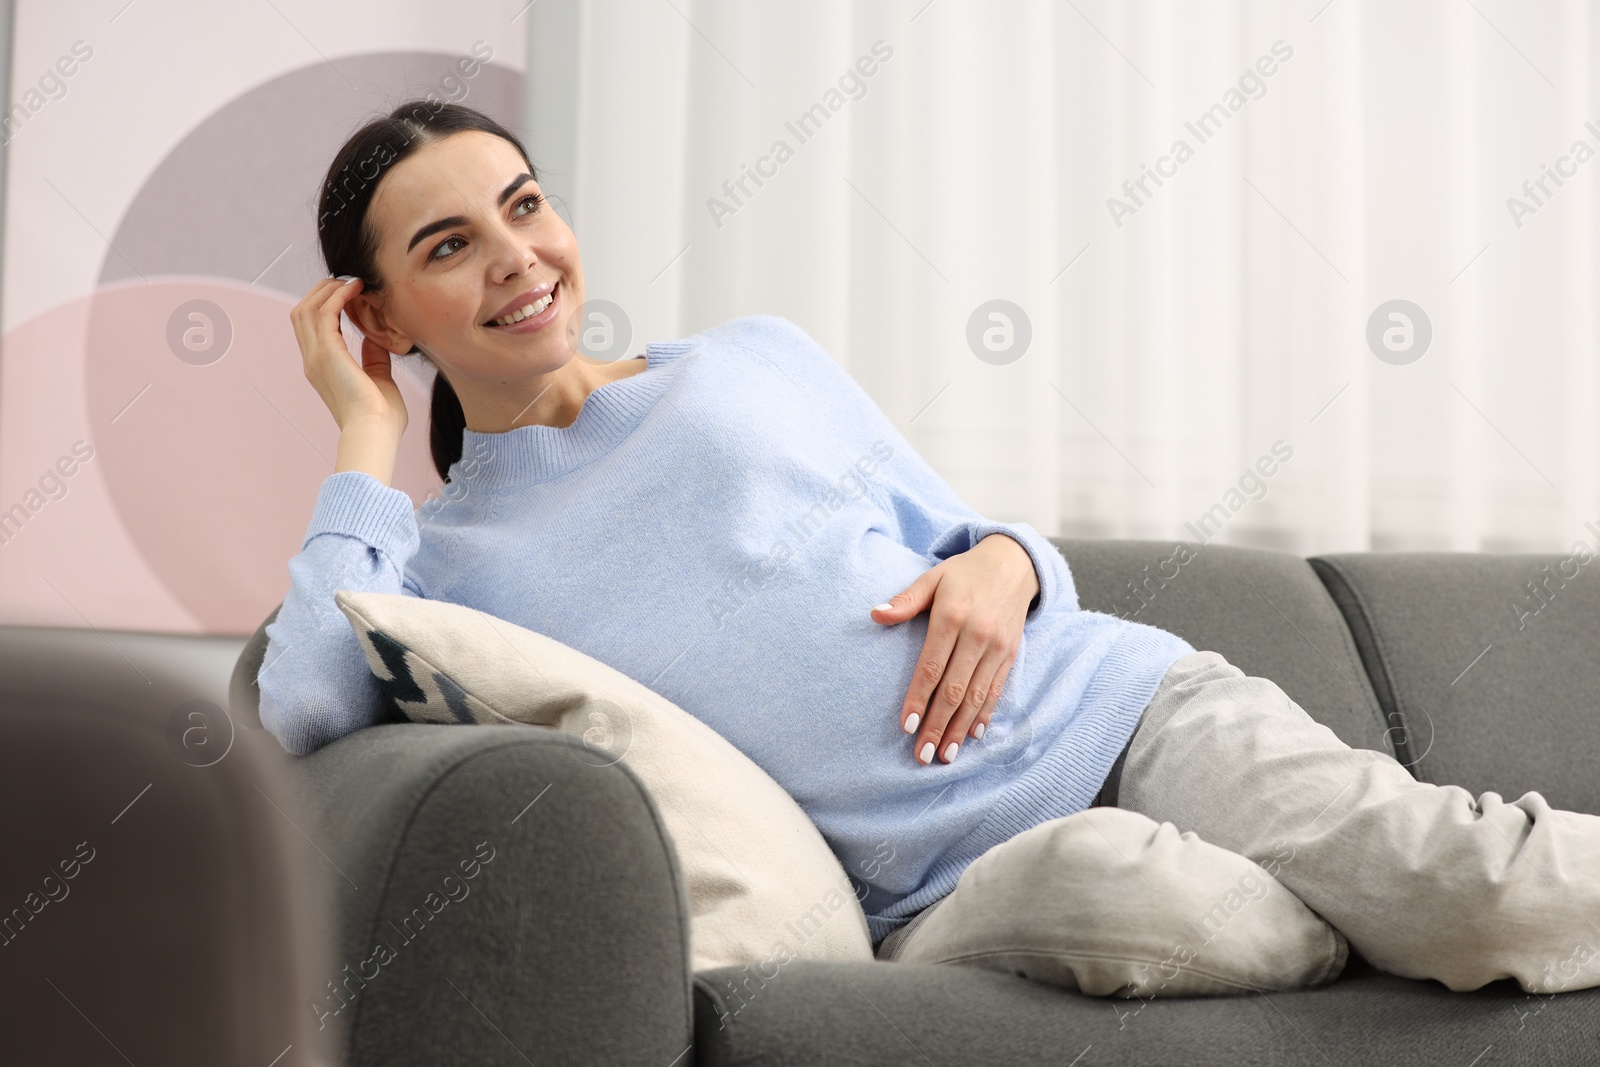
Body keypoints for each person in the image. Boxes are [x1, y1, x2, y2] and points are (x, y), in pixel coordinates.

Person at [263, 101, 1600, 996]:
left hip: (1119, 710)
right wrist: (358, 435)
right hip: (947, 887)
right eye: (451, 245)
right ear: (379, 315)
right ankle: (1389, 928)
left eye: (525, 205)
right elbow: (305, 708)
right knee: (1133, 901)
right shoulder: (444, 568)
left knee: (1477, 891)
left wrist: (1008, 561)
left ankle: (1424, 917)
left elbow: (975, 538)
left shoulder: (750, 362)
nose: (517, 256)